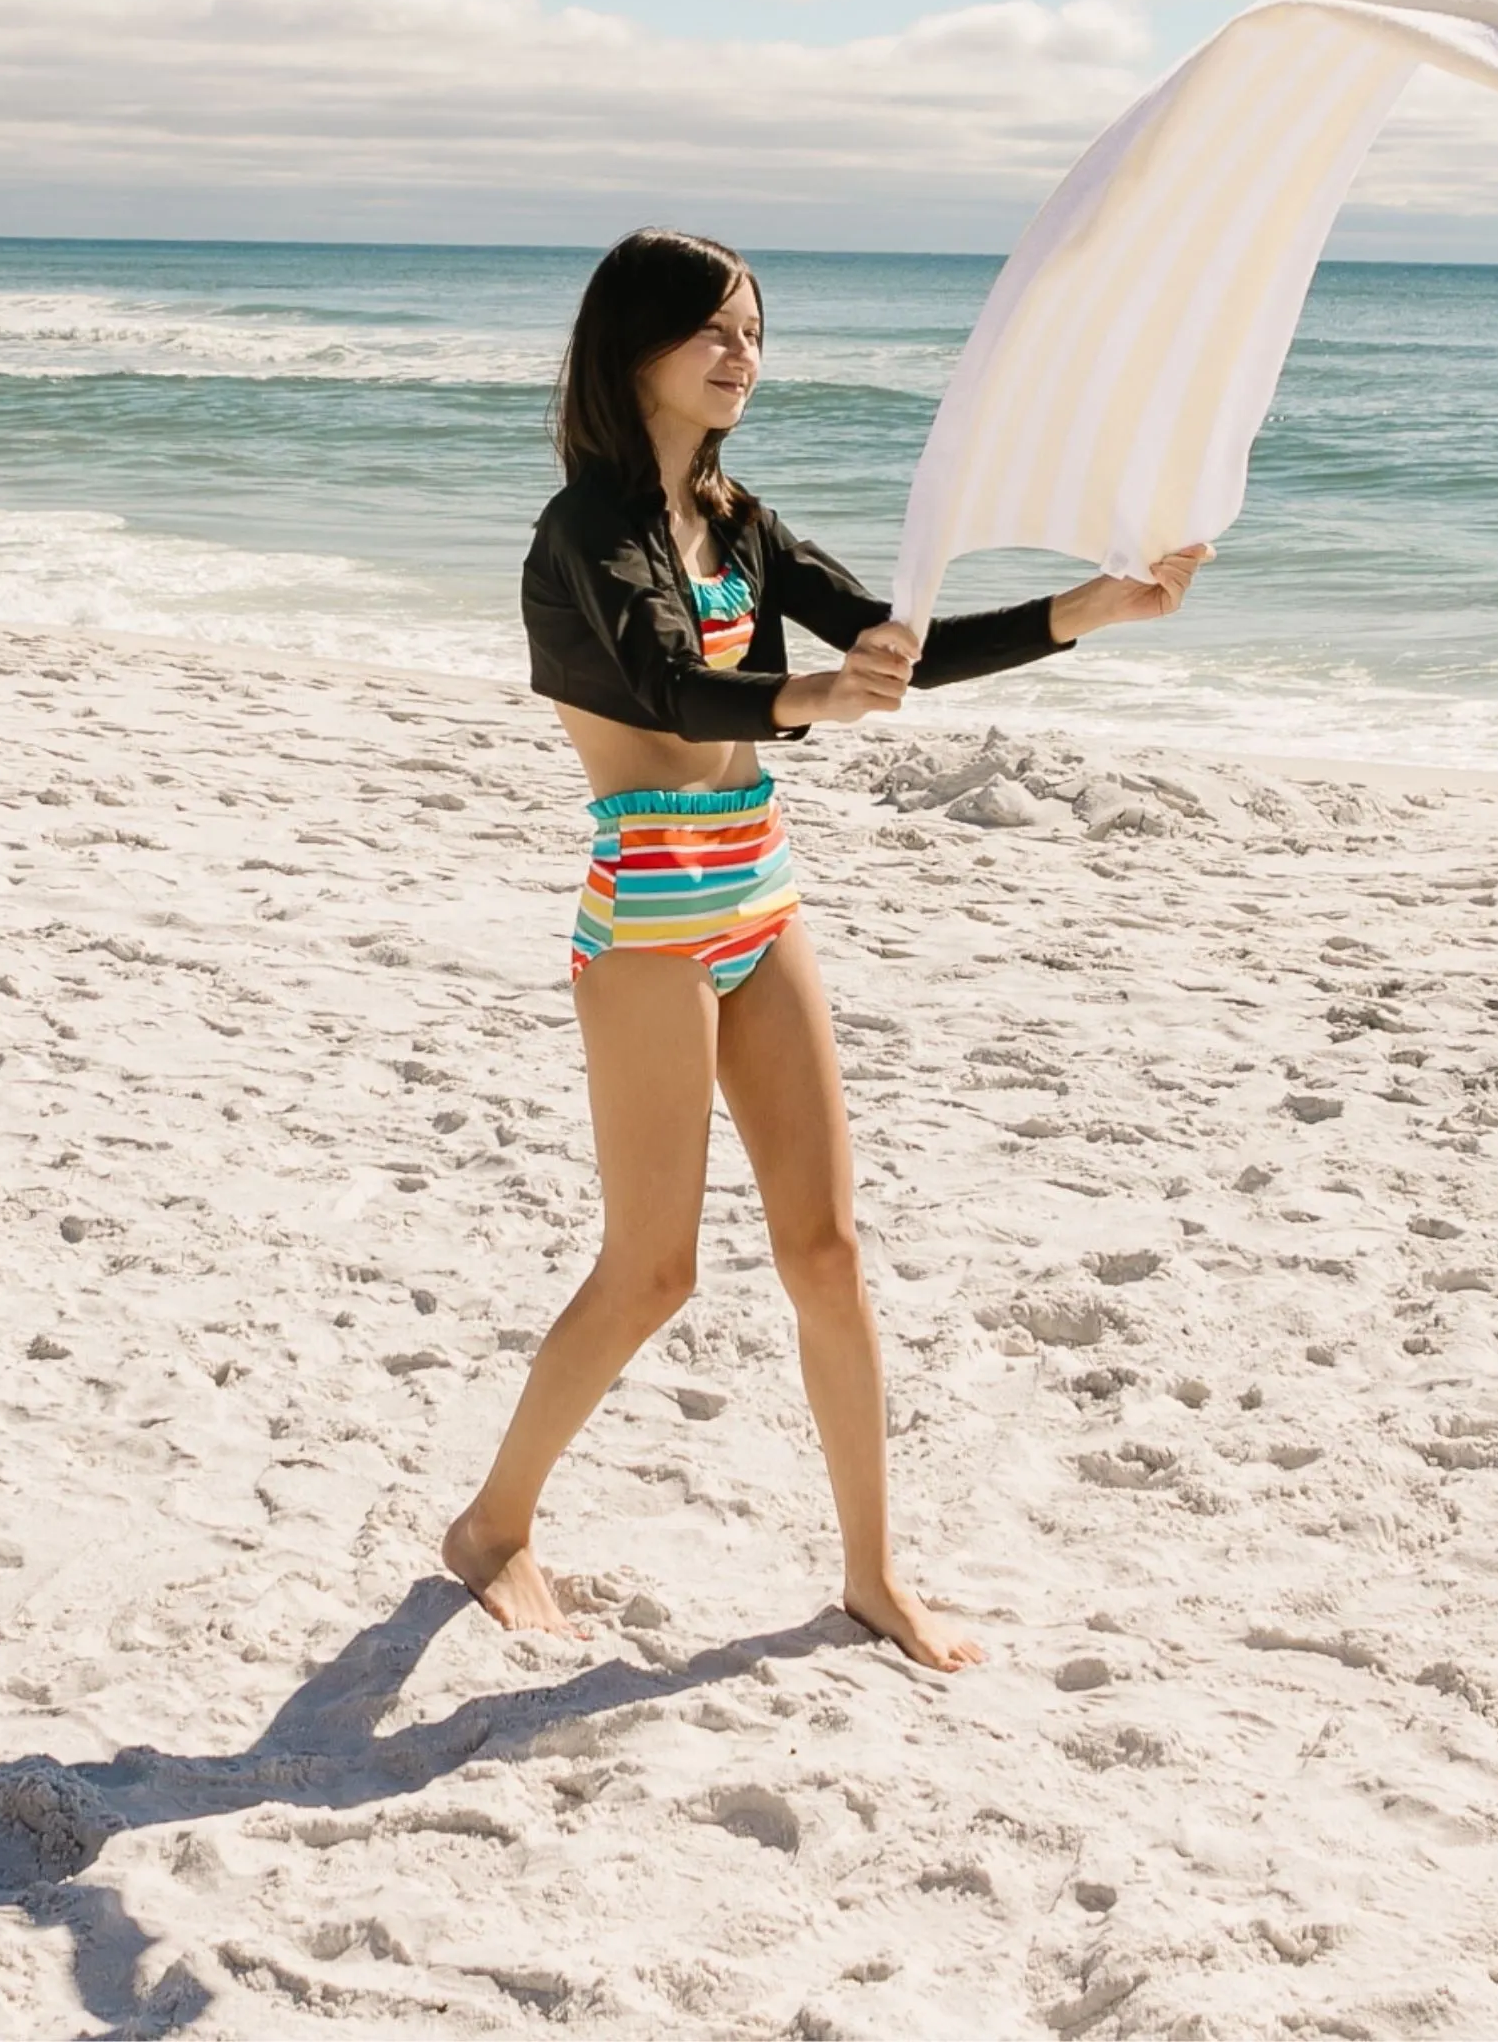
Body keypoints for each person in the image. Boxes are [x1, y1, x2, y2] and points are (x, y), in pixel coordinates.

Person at [444, 229, 1207, 1669]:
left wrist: (1088, 611)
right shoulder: (585, 534)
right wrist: (812, 702)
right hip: (653, 913)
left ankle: (870, 1572)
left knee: (827, 1250)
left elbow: (889, 644)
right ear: (634, 350)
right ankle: (492, 1526)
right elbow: (672, 686)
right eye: (713, 330)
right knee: (654, 1270)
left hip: (759, 892)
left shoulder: (738, 521)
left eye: (753, 330)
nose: (742, 352)